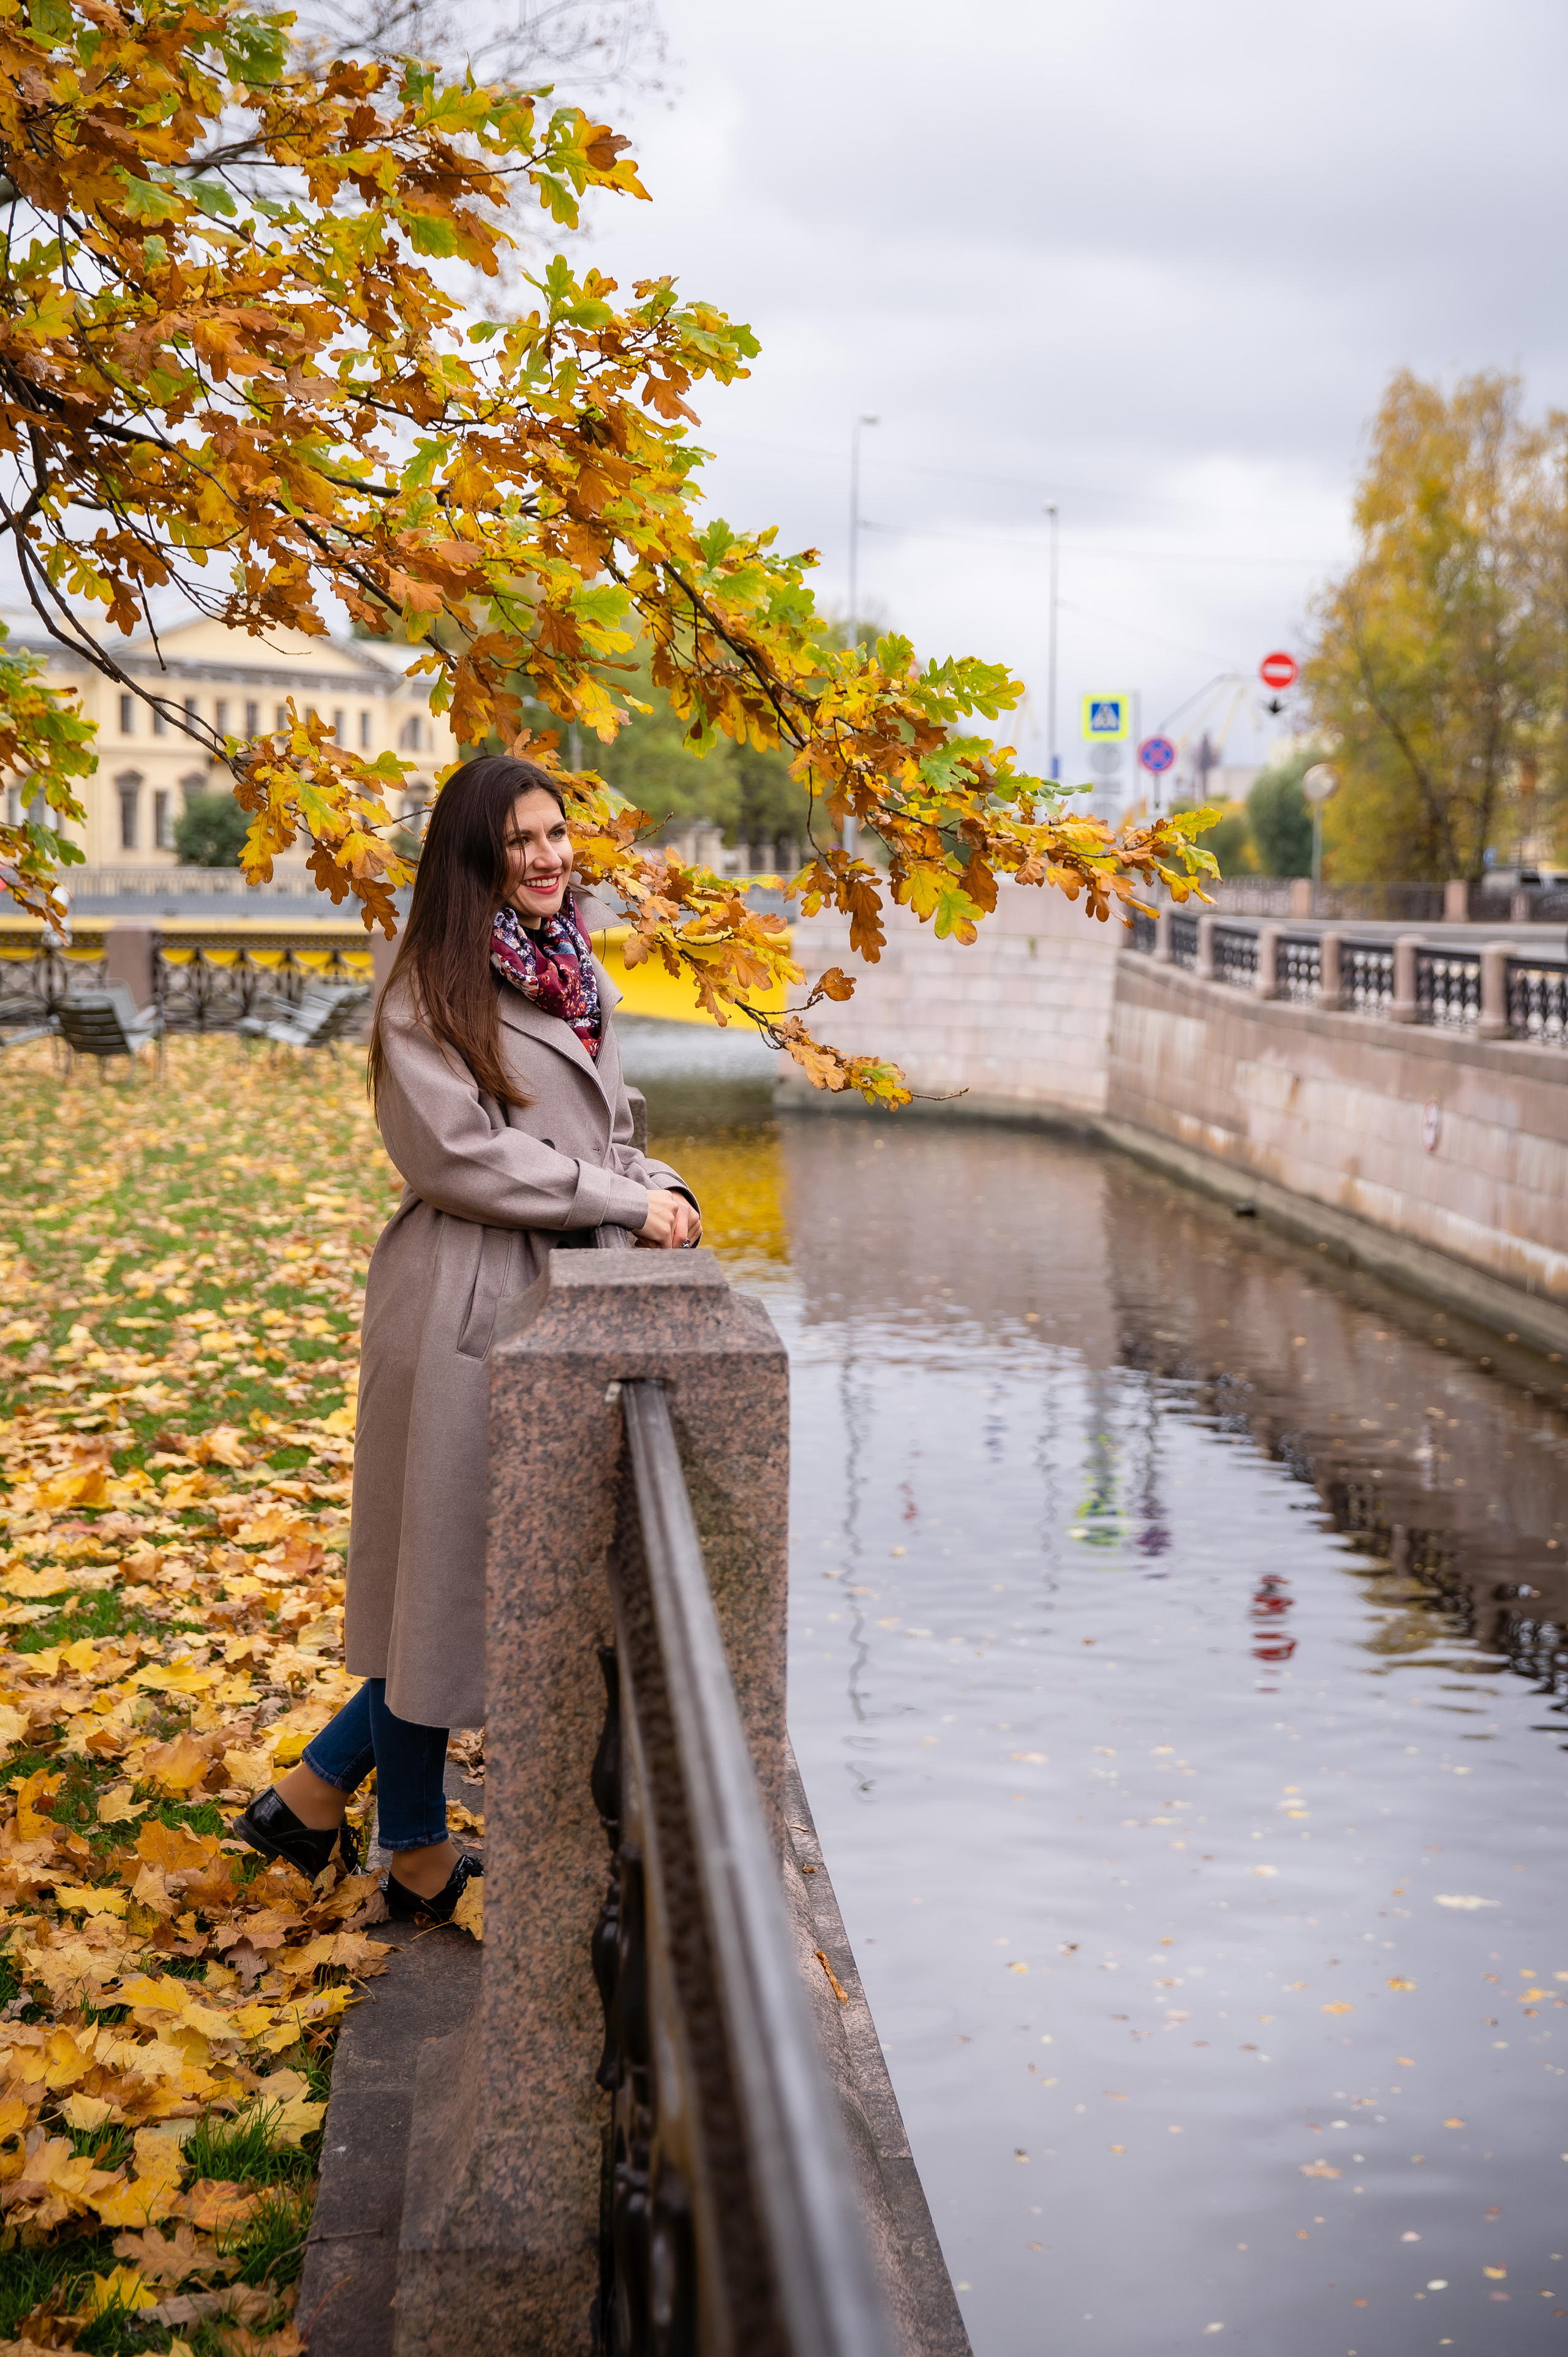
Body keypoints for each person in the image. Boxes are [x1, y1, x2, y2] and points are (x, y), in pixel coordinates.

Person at [232, 754, 701, 1922]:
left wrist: (659, 1185)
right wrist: (614, 1200)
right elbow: (457, 1156)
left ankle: (317, 1801)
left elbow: (616, 1126)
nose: (549, 857)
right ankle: (411, 1848)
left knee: (445, 1588)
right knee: (438, 1583)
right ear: (475, 857)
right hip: (460, 1302)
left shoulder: (574, 970)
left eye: (558, 835)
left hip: (553, 1299)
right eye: (521, 842)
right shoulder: (425, 986)